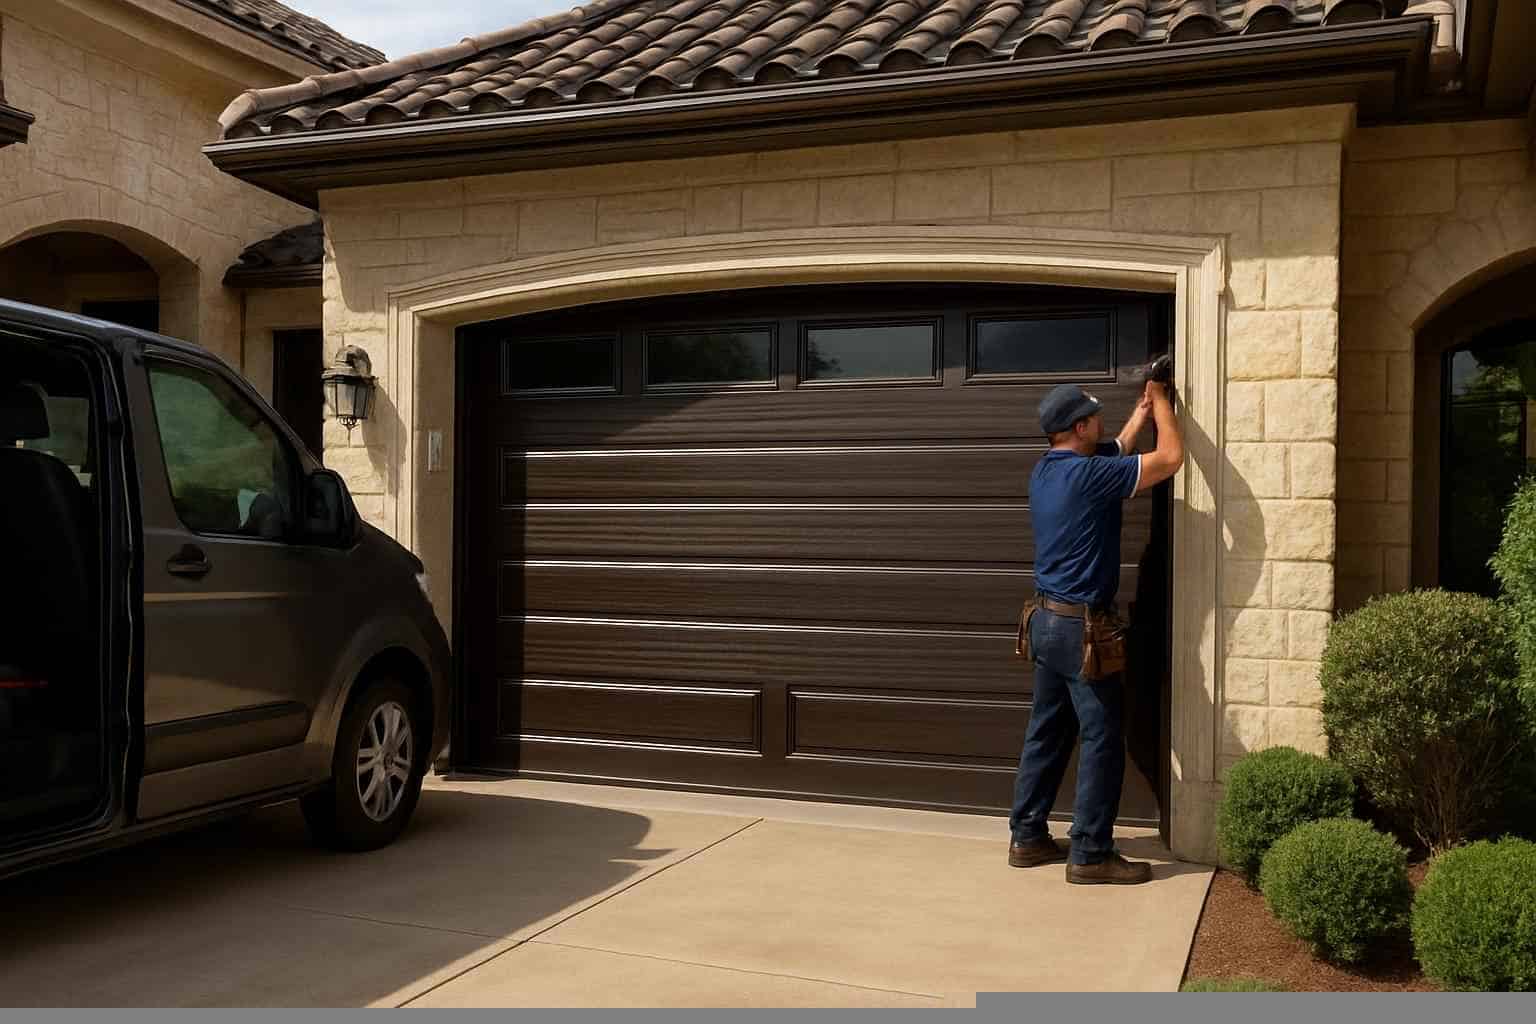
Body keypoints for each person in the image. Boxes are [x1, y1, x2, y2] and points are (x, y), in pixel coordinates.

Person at [1007, 375, 1183, 884]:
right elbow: (1169, 458)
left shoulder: (1047, 471)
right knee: (1103, 736)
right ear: (1079, 427)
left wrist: (1143, 411)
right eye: (1094, 417)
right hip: (1081, 632)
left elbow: (1119, 449)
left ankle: (1028, 836)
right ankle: (1089, 853)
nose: (1101, 422)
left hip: (1045, 623)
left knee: (1047, 729)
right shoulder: (1088, 477)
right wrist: (1167, 403)